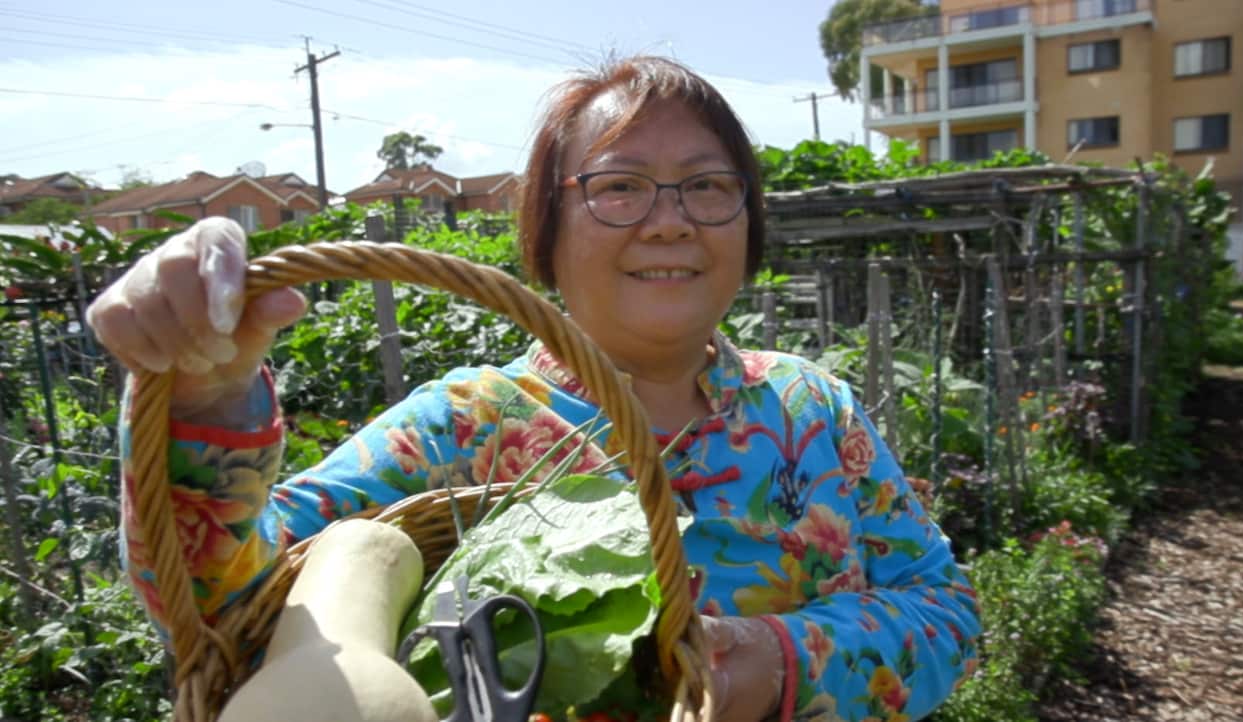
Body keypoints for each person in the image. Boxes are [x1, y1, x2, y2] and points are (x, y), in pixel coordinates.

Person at [88, 56, 980, 721]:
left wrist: (777, 661)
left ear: (749, 223)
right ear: (547, 232)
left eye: (708, 187)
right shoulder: (463, 425)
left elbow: (945, 611)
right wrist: (205, 397)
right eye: (620, 187)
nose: (670, 221)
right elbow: (223, 608)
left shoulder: (814, 410)